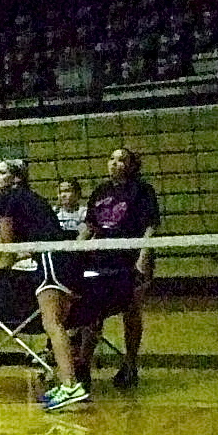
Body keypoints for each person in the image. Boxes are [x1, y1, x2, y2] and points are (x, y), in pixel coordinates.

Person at [0, 159, 88, 412]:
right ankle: (68, 382)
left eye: (2, 172)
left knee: (52, 323)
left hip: (51, 260)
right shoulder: (31, 198)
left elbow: (7, 243)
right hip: (66, 259)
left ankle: (70, 386)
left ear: (16, 178)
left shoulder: (9, 199)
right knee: (58, 324)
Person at [83, 148, 159, 389]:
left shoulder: (142, 190)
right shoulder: (100, 191)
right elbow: (90, 227)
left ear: (131, 165)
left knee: (131, 310)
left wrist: (143, 258)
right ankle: (83, 366)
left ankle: (130, 364)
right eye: (111, 159)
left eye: (121, 160)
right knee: (91, 311)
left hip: (130, 258)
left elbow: (150, 227)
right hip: (102, 259)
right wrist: (73, 250)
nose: (115, 164)